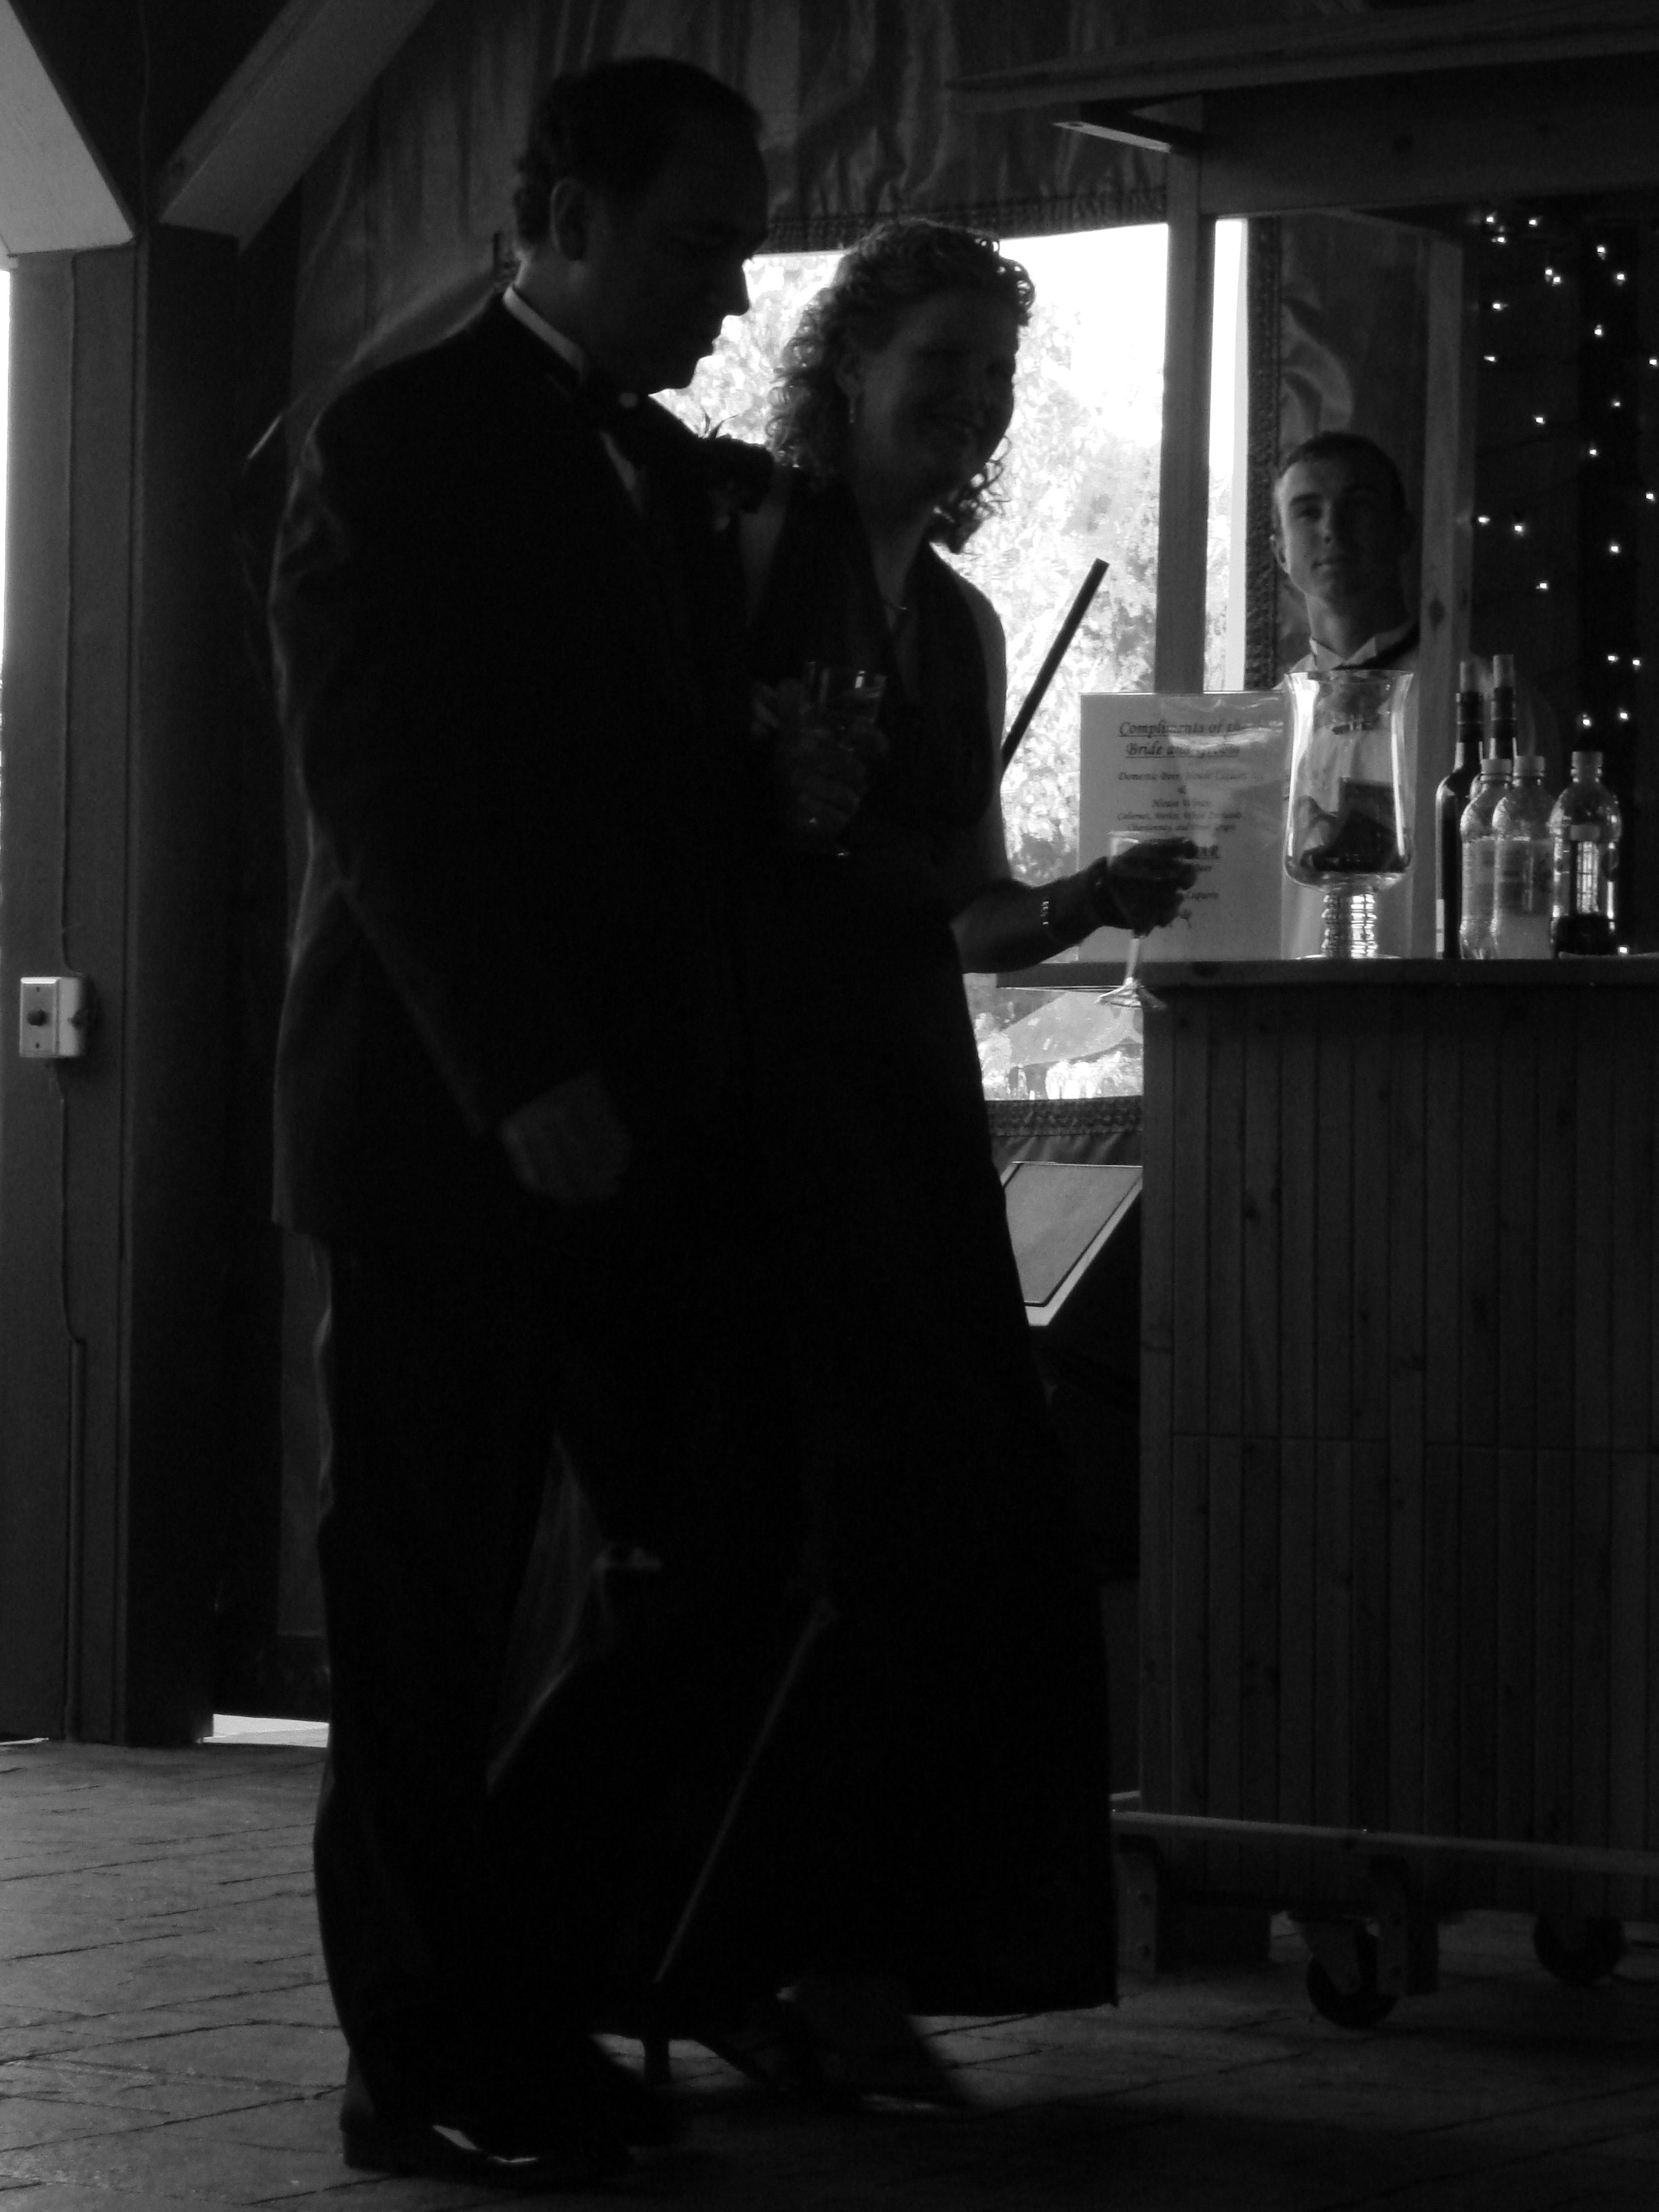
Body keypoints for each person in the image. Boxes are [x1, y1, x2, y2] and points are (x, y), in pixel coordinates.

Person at [268, 56, 785, 2188]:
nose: (730, 295)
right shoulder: (395, 437)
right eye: (696, 249)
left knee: (730, 1551)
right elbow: (383, 795)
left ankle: (518, 1981)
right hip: (445, 1131)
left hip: (650, 1126)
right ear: (563, 218)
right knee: (425, 1604)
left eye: (743, 254)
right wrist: (523, 1078)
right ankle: (418, 2056)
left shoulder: (661, 473)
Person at [725, 218, 1193, 2081]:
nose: (974, 404)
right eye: (942, 365)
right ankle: (757, 1961)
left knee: (964, 1526)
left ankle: (867, 1956)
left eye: (996, 376)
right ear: (845, 365)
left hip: (904, 1105)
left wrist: (1092, 895)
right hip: (759, 1100)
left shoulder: (967, 620)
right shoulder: (746, 560)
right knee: (799, 1532)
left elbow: (974, 914)